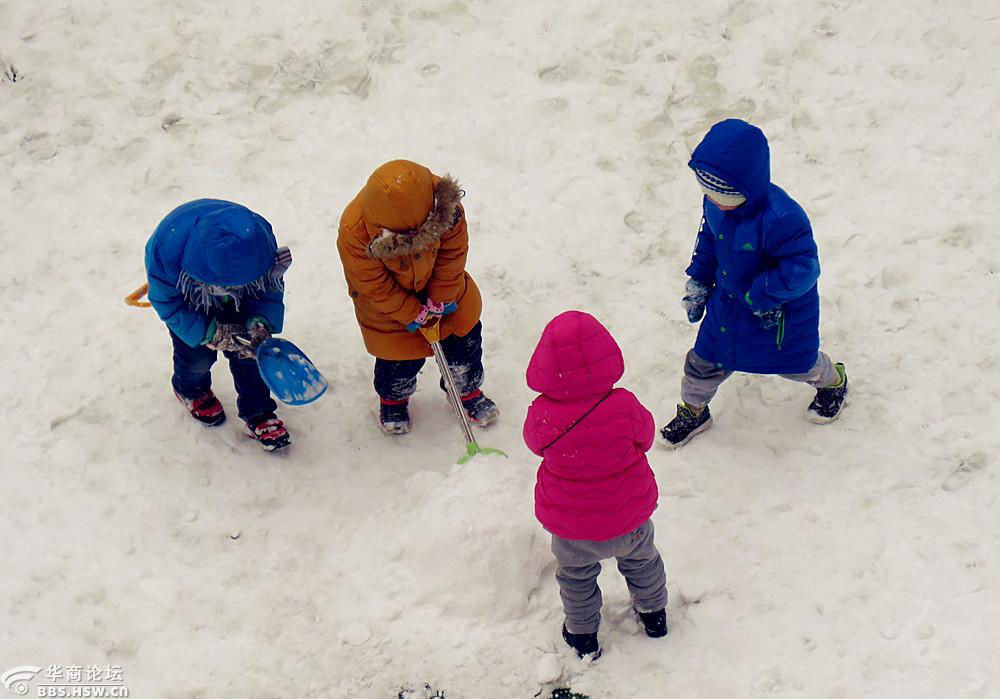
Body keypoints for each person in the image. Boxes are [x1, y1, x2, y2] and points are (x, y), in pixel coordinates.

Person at [660, 118, 848, 448]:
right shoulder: (717, 207)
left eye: (722, 194)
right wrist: (700, 280)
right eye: (707, 191)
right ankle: (694, 411)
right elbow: (709, 241)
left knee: (799, 365)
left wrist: (761, 294)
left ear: (747, 186)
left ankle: (833, 382)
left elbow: (803, 268)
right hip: (728, 310)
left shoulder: (781, 219)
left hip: (777, 317)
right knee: (702, 364)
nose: (713, 199)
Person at [524, 310, 668, 660]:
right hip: (628, 517)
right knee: (643, 562)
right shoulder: (624, 404)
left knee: (576, 578)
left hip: (574, 527)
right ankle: (654, 617)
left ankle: (583, 634)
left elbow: (534, 445)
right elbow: (646, 438)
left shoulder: (542, 413)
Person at [337, 159, 499, 435]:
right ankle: (393, 398)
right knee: (398, 360)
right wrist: (413, 312)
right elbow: (373, 285)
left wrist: (441, 299)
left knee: (464, 344)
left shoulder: (445, 206)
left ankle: (465, 389)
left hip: (445, 290)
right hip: (389, 308)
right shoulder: (355, 233)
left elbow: (452, 255)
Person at [145, 199, 292, 451]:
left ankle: (258, 410)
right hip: (190, 300)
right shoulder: (166, 254)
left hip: (247, 297)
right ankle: (190, 389)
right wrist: (208, 331)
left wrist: (260, 321)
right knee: (195, 357)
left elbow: (269, 288)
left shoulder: (258, 244)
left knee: (251, 354)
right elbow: (167, 302)